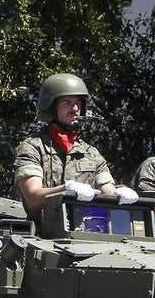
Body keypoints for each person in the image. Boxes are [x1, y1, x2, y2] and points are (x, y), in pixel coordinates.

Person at [14, 73, 135, 216]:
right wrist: (66, 189)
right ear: (50, 107)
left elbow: (106, 189)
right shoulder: (33, 148)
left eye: (78, 103)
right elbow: (33, 198)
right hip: (43, 233)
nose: (75, 109)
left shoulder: (91, 153)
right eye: (67, 103)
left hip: (85, 232)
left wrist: (118, 193)